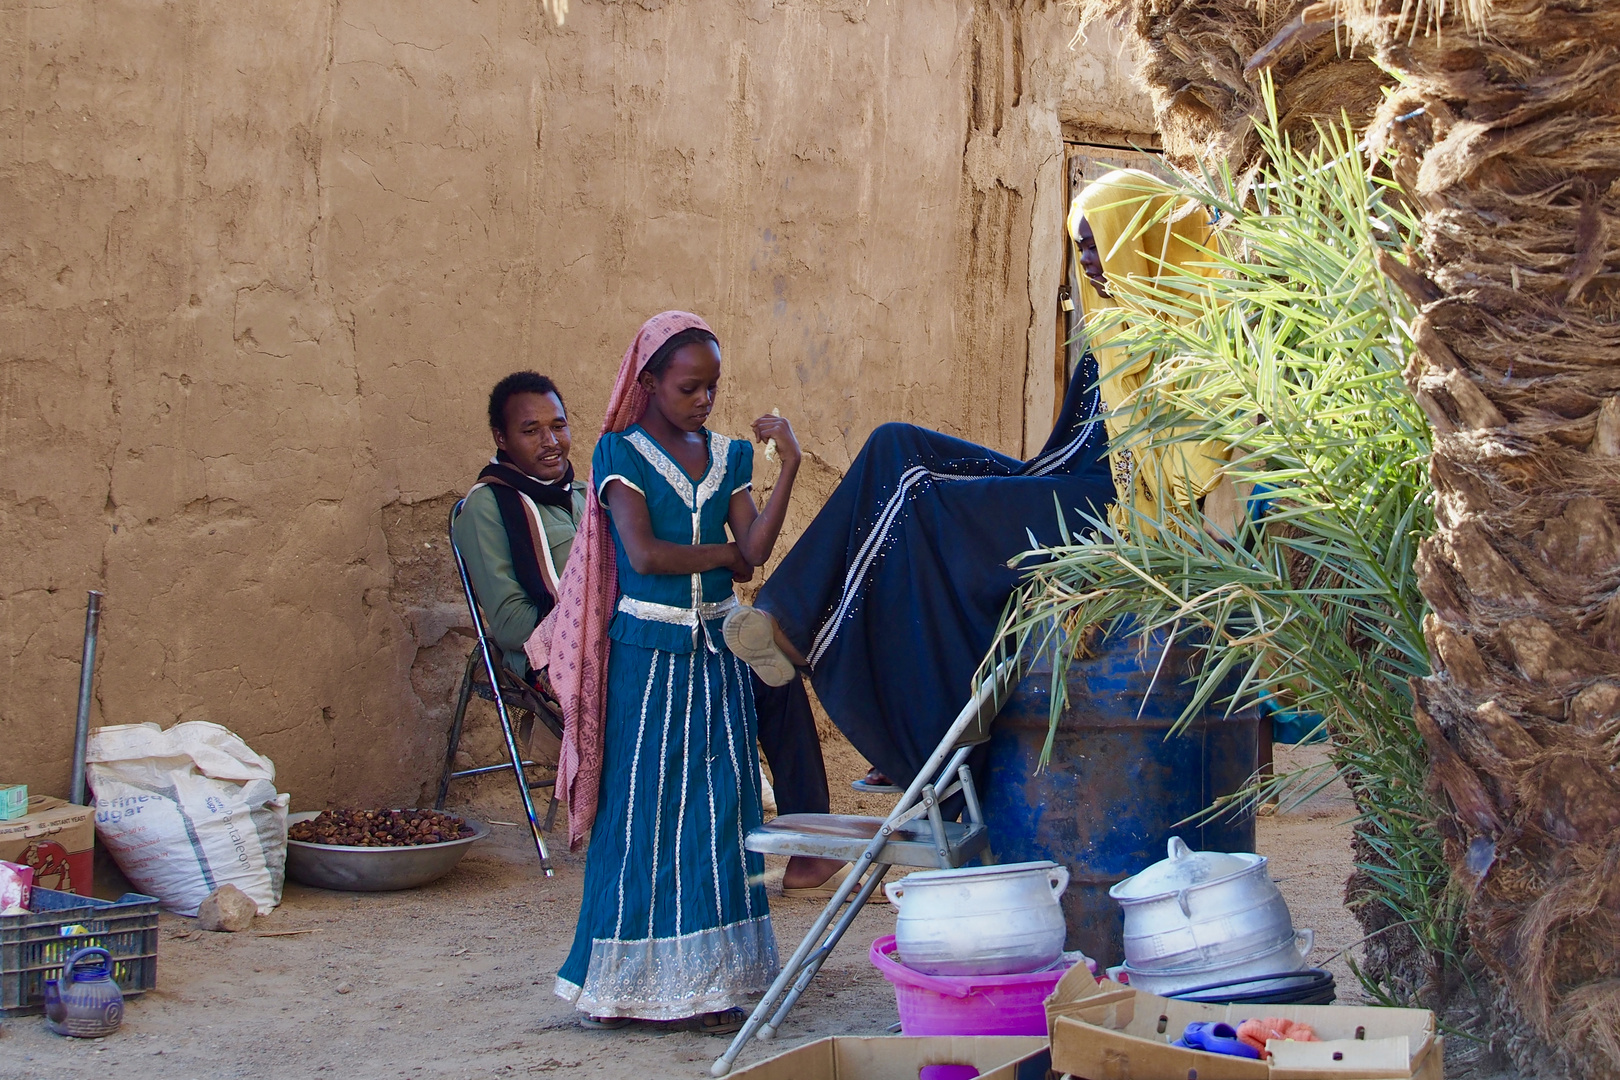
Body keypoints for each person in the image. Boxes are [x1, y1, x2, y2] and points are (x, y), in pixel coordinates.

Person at [534, 312, 799, 1033]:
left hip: (714, 659)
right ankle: (624, 986)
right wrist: (721, 557)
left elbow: (757, 548)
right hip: (648, 659)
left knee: (719, 809)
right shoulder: (620, 453)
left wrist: (791, 470)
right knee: (642, 810)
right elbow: (646, 555)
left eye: (713, 387)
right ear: (648, 382)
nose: (703, 400)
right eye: (689, 387)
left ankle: (713, 982)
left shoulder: (729, 456)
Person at [721, 318, 1118, 798]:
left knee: (907, 484)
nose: (1088, 252)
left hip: (1105, 511)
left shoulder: (1173, 324)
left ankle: (797, 625)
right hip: (1057, 485)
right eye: (1086, 241)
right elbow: (1065, 452)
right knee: (895, 449)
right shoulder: (1109, 320)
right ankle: (898, 723)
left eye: (1099, 242)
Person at [1067, 167, 1231, 541]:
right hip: (1119, 514)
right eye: (1081, 249)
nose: (1087, 261)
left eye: (1097, 245)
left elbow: (1193, 471)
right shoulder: (1113, 330)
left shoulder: (1204, 322)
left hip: (1176, 533)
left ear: (1141, 240)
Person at [453, 372, 587, 683]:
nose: (550, 442)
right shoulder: (489, 507)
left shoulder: (585, 496)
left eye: (558, 426)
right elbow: (512, 627)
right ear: (502, 438)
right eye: (531, 431)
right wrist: (603, 617)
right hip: (553, 659)